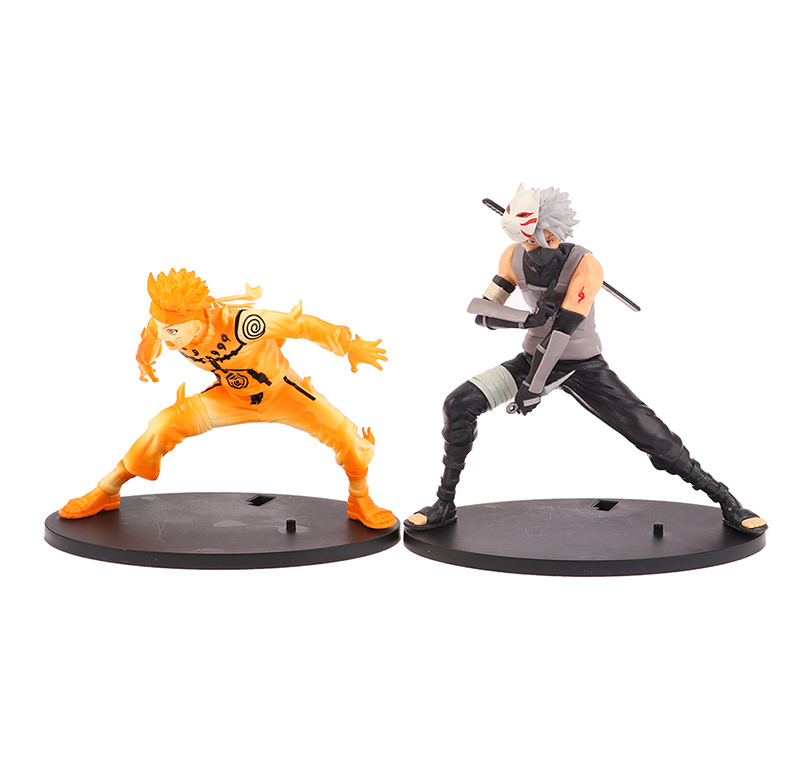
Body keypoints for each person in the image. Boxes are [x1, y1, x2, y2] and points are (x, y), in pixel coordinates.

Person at [406, 183, 766, 534]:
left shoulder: (585, 266)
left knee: (655, 437)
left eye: (536, 235)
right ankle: (444, 504)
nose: (533, 246)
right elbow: (483, 313)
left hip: (582, 365)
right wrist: (525, 321)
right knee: (458, 404)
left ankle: (725, 498)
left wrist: (534, 387)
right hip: (531, 359)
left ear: (549, 231)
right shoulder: (512, 257)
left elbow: (562, 331)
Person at [60, 268, 395, 529]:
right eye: (162, 327)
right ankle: (107, 491)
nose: (165, 336)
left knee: (345, 436)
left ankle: (360, 500)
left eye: (172, 331)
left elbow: (301, 326)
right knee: (162, 425)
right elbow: (150, 336)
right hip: (230, 397)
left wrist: (349, 345)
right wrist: (144, 359)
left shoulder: (243, 325)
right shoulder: (164, 325)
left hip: (283, 393)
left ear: (197, 321)